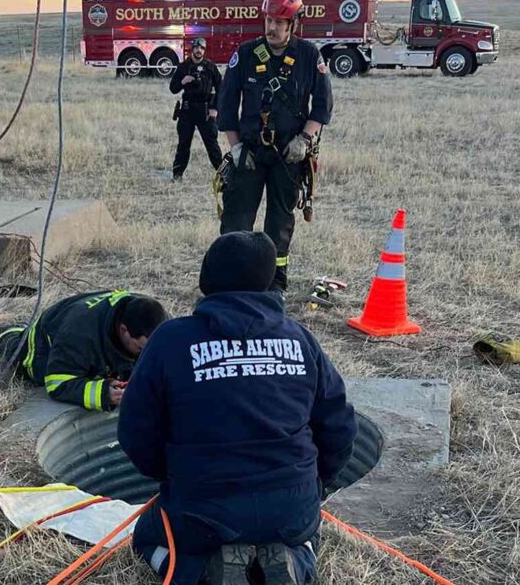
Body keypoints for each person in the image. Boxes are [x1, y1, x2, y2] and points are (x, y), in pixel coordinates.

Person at [118, 232, 357, 584]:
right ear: (267, 282)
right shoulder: (300, 339)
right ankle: (295, 561)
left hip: (202, 510)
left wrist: (170, 476)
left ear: (206, 279)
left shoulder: (170, 340)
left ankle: (200, 572)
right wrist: (314, 483)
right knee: (307, 533)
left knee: (148, 537)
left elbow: (135, 431)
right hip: (290, 506)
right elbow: (339, 427)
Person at [217, 0, 332, 292]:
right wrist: (236, 146)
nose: (272, 27)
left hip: (288, 156)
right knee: (236, 222)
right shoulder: (244, 54)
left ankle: (274, 286)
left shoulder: (309, 56)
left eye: (280, 23)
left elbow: (322, 107)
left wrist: (305, 140)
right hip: (250, 154)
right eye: (269, 20)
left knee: (279, 226)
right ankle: (229, 284)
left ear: (293, 24)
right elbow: (227, 106)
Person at [0, 290, 168, 410]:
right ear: (124, 330)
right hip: (45, 341)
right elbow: (57, 383)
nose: (147, 356)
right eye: (141, 349)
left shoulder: (155, 319)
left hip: (74, 323)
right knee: (18, 353)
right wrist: (103, 393)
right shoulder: (80, 334)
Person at [169, 37, 223, 181]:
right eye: (196, 47)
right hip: (187, 110)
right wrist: (183, 81)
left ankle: (224, 175)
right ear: (192, 49)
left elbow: (221, 89)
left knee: (212, 145)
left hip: (205, 110)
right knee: (183, 144)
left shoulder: (210, 67)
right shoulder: (184, 67)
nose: (199, 50)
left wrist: (215, 108)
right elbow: (173, 88)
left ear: (204, 51)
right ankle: (177, 174)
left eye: (202, 48)